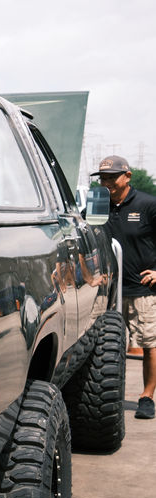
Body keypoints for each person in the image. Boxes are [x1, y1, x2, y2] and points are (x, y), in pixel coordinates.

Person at [93, 155, 156, 419]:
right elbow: (86, 238)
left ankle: (147, 397)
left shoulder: (147, 204)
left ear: (127, 176)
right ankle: (107, 395)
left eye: (112, 177)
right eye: (103, 178)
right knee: (105, 345)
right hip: (106, 292)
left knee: (149, 344)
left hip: (141, 290)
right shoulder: (97, 204)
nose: (106, 182)